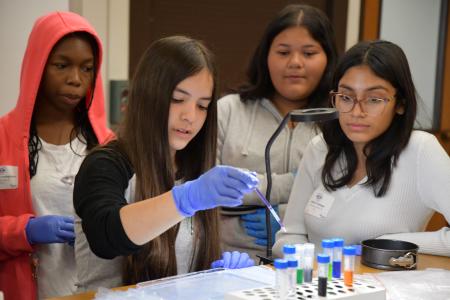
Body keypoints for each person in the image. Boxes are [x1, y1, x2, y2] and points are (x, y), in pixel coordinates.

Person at [73, 35, 257, 291]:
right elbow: (107, 237)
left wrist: (214, 279)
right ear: (148, 95)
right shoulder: (106, 164)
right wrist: (185, 200)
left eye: (202, 106)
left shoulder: (194, 170)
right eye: (178, 99)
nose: (190, 116)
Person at [274, 40, 450, 257]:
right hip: (316, 285)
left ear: (401, 103)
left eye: (374, 99)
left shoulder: (420, 150)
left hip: (388, 288)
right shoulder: (320, 148)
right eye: (346, 97)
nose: (357, 112)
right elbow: (289, 236)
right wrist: (318, 267)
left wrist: (390, 244)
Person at [0, 11, 112, 300]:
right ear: (38, 65)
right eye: (62, 65)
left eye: (87, 69)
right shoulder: (3, 138)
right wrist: (24, 230)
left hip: (98, 291)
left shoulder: (107, 144)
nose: (75, 79)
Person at [217, 4, 338, 259]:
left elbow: (348, 198)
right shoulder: (228, 110)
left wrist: (286, 218)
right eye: (283, 52)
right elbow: (209, 186)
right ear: (266, 56)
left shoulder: (340, 122)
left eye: (308, 53)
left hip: (306, 266)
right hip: (227, 261)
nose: (295, 63)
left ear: (327, 58)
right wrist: (292, 183)